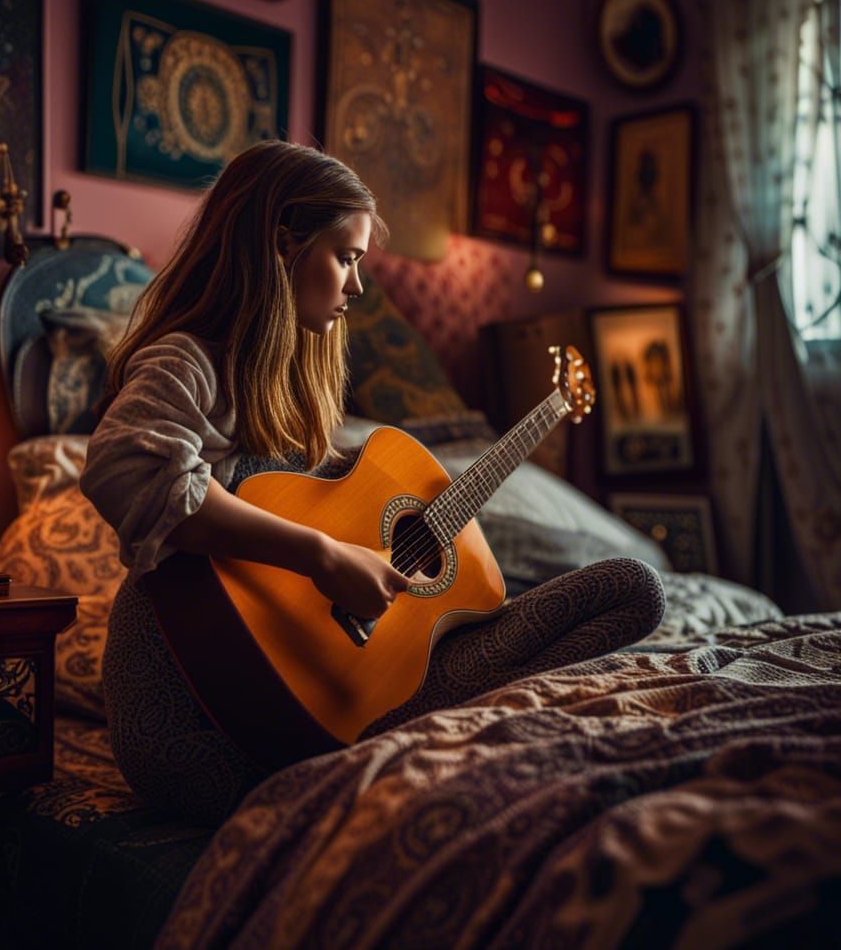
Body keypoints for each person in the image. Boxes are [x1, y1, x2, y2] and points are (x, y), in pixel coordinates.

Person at [81, 140, 665, 827]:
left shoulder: (293, 388)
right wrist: (322, 556)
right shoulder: (188, 360)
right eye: (346, 257)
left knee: (633, 587)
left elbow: (344, 517)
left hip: (334, 707)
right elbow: (129, 466)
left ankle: (408, 731)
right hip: (193, 717)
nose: (357, 286)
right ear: (281, 246)